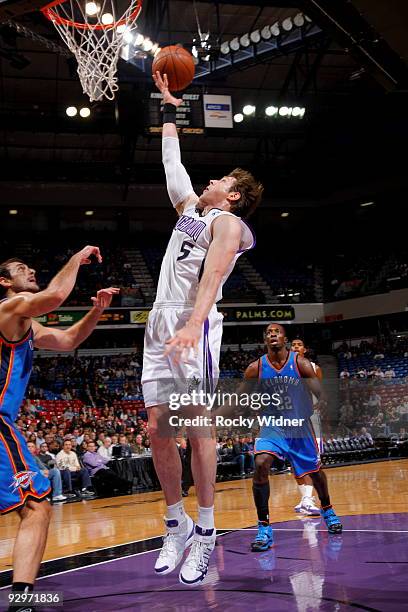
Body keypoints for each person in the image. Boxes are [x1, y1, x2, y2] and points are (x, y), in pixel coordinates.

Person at [141, 72, 263, 585]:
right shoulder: (191, 208)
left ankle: (208, 532)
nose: (211, 180)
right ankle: (177, 523)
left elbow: (212, 277)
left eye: (221, 180)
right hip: (160, 316)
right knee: (156, 430)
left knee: (197, 427)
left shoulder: (229, 225)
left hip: (196, 323)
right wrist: (170, 109)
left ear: (233, 196)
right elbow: (173, 163)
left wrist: (193, 324)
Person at [0, 247, 118, 612]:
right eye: (22, 268)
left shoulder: (25, 324)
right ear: (5, 282)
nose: (30, 270)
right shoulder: (9, 308)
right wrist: (77, 259)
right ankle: (22, 601)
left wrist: (96, 312)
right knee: (36, 506)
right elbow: (54, 297)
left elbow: (68, 341)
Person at [242, 324, 342, 553]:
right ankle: (264, 527)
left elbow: (320, 394)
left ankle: (327, 508)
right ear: (264, 340)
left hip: (299, 426)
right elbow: (238, 397)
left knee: (315, 473)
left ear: (284, 338)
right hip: (272, 426)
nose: (272, 334)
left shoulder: (301, 364)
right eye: (268, 332)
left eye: (277, 331)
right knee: (260, 464)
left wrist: (322, 402)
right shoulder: (255, 368)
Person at [290, 338, 322, 516]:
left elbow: (319, 392)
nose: (296, 347)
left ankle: (312, 498)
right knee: (294, 460)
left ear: (305, 349)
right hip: (290, 418)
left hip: (308, 417)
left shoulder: (313, 367)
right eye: (293, 345)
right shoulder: (285, 368)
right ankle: (305, 498)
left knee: (312, 459)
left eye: (299, 345)